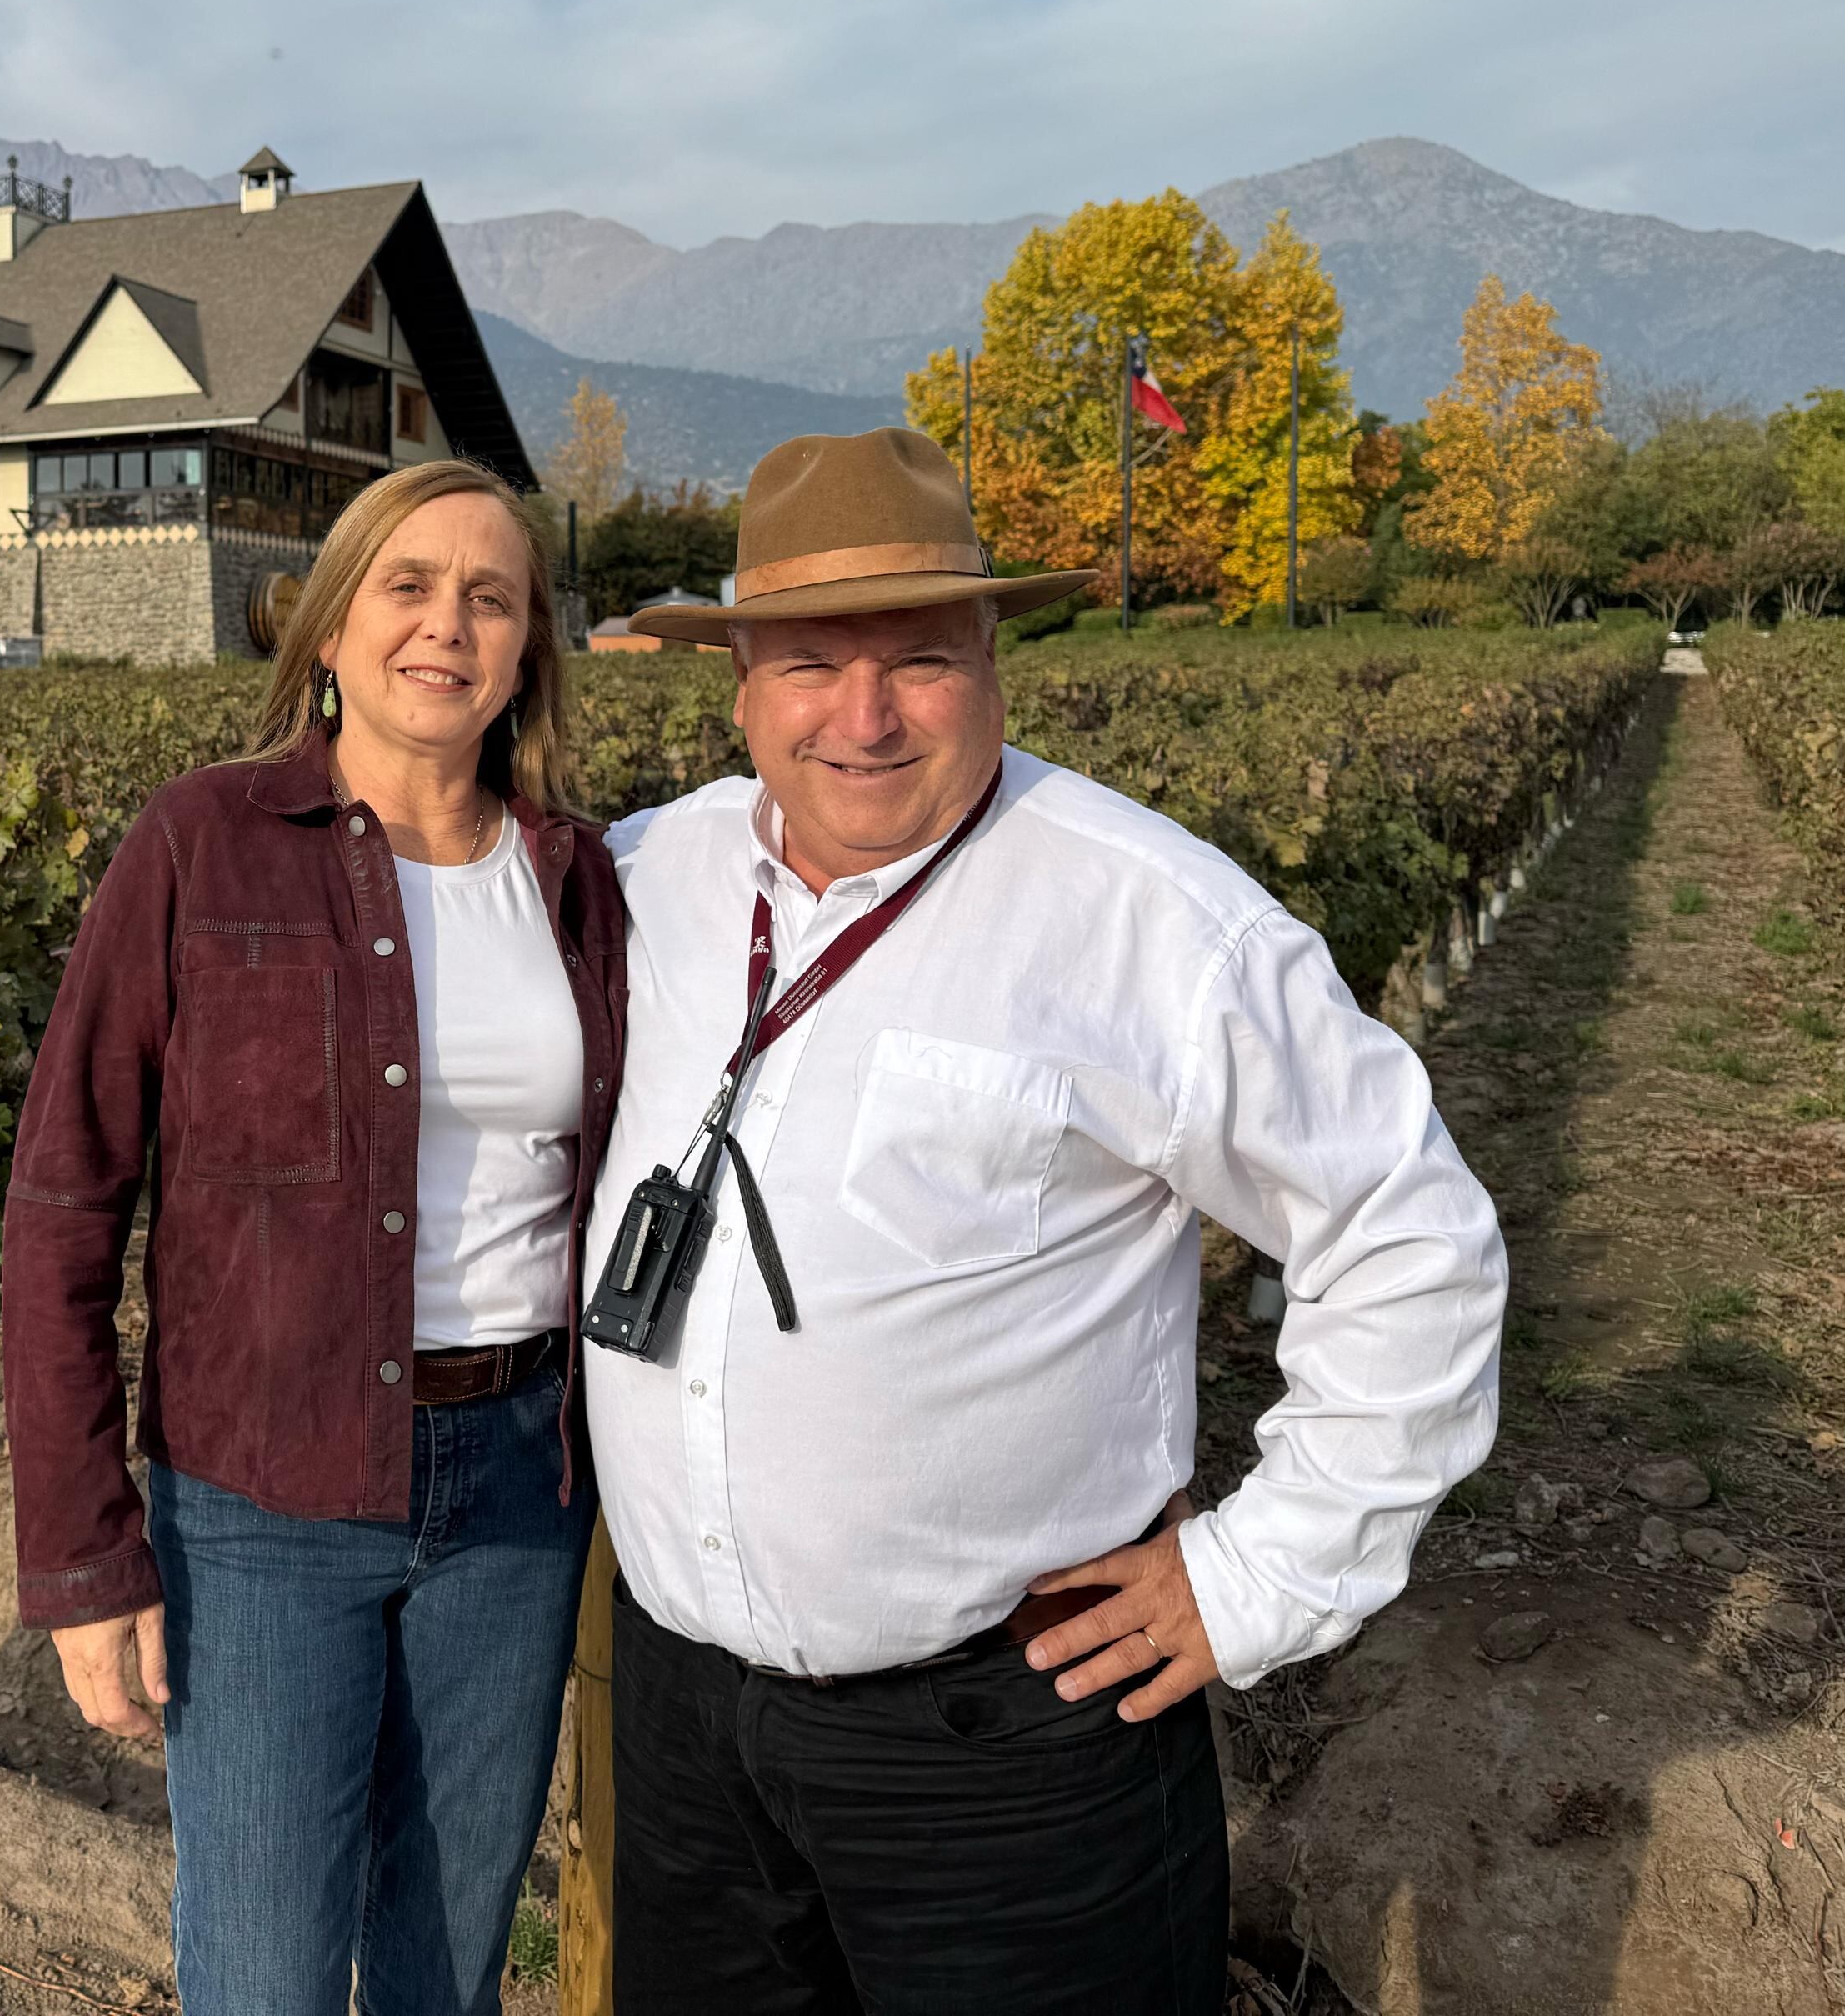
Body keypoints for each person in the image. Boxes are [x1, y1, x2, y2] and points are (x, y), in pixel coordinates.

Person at [591, 429, 1507, 2015]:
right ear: (737, 682)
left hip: (1010, 1753)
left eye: (921, 661)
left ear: (996, 662)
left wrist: (1257, 1573)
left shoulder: (1157, 924)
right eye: (810, 660)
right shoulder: (645, 877)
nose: (862, 715)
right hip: (686, 1735)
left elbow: (1410, 1234)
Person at [2, 457, 625, 2016]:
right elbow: (65, 1204)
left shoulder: (578, 879)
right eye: (407, 586)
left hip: (518, 1493)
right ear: (332, 625)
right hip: (264, 1500)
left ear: (529, 646)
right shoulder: (204, 847)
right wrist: (85, 1553)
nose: (447, 625)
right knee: (268, 1979)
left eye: (491, 595)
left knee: (448, 1970)